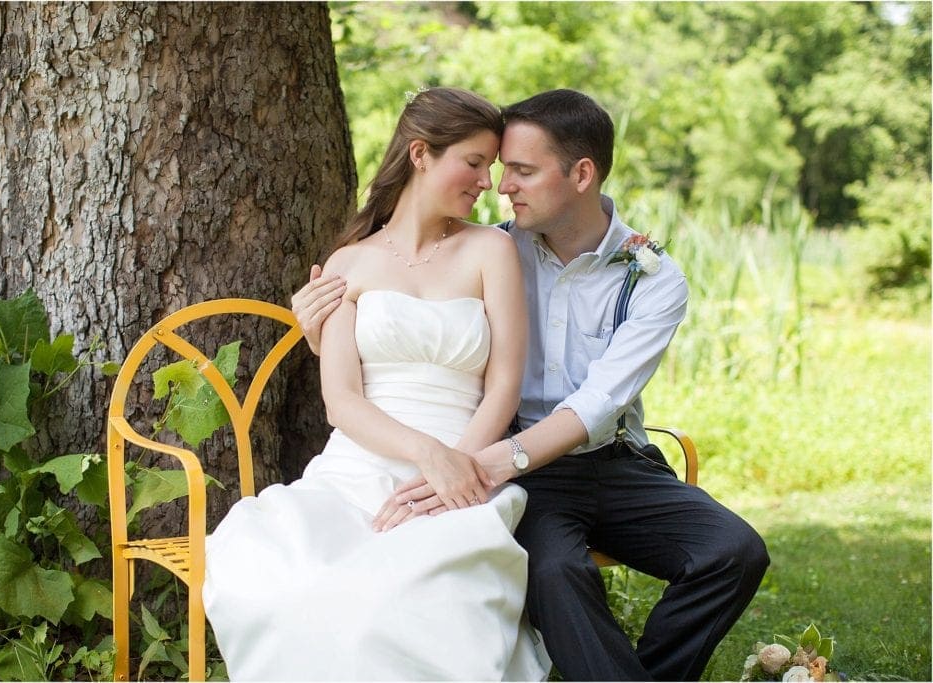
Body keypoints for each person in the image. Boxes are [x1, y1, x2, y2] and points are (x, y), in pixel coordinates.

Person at [293, 89, 770, 681]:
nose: (501, 186)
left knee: (734, 552)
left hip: (610, 460)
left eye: (520, 170)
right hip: (531, 471)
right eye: (496, 169)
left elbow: (600, 403)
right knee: (555, 572)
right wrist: (321, 333)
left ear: (581, 174)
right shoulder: (493, 247)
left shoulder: (651, 277)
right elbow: (400, 334)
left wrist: (484, 464)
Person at [203, 87, 550, 681]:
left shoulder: (491, 251)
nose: (487, 182)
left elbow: (504, 387)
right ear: (421, 154)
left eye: (491, 167)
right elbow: (342, 402)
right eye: (474, 163)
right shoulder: (348, 264)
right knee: (293, 583)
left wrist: (453, 471)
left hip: (465, 464)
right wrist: (425, 454)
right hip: (357, 468)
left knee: (401, 600)